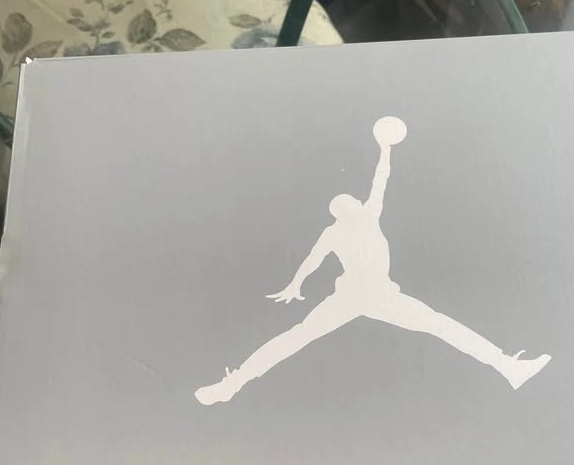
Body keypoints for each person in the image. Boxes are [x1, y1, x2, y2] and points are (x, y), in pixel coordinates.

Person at [195, 117, 550, 405]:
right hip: (351, 296)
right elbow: (312, 260)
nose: (353, 202)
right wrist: (296, 283)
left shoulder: (367, 216)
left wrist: (385, 150)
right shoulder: (340, 229)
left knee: (439, 325)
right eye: (346, 202)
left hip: (381, 295)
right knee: (297, 337)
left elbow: (380, 181)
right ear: (339, 211)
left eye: (352, 200)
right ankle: (231, 384)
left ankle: (507, 366)